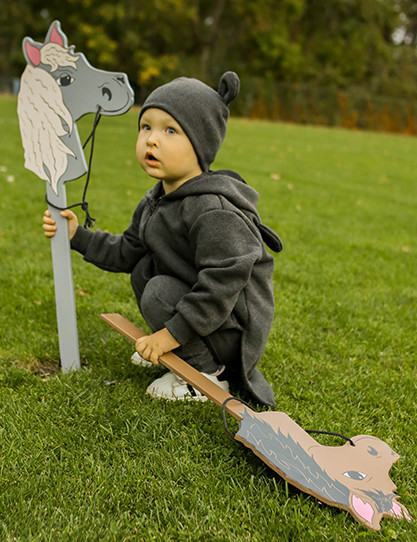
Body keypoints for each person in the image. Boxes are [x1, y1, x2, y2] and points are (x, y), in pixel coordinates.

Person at [43, 72, 282, 406]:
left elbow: (223, 283)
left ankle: (206, 374)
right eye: (146, 127)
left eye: (170, 130)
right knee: (144, 269)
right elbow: (127, 251)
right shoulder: (158, 199)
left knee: (157, 290)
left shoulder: (213, 210)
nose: (152, 140)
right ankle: (188, 352)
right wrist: (77, 236)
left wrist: (171, 335)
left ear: (201, 143)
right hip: (205, 314)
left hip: (231, 327)